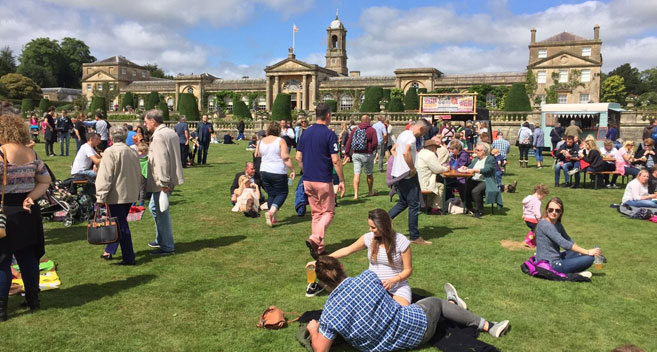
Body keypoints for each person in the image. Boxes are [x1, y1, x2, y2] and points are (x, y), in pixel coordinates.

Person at [306, 256, 510, 352]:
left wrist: (313, 329)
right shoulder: (368, 278)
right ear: (341, 266)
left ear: (322, 283)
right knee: (434, 303)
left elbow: (320, 349)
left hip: (382, 346)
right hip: (415, 330)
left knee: (430, 306)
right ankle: (488, 325)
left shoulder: (330, 313)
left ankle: (453, 304)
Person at [0, 110, 50, 321]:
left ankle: (1, 310)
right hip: (28, 212)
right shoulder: (33, 154)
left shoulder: (1, 152)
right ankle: (33, 300)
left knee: (2, 261)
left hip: (5, 213)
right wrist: (30, 197)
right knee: (28, 257)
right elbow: (45, 181)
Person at [306, 209, 413, 305]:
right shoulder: (369, 238)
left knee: (401, 310)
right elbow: (347, 250)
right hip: (372, 285)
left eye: (373, 227)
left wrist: (394, 280)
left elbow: (408, 270)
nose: (370, 230)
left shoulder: (401, 241)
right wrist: (321, 261)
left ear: (383, 226)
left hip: (397, 286)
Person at [297, 103, 345, 262]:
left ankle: (319, 247)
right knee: (329, 212)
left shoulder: (305, 133)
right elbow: (336, 160)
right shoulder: (329, 134)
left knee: (316, 213)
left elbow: (298, 157)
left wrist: (305, 170)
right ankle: (316, 238)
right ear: (329, 115)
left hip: (308, 179)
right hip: (323, 179)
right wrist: (342, 180)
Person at [96, 126, 142, 265]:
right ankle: (110, 250)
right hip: (129, 192)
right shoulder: (132, 151)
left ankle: (128, 257)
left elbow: (105, 176)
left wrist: (100, 196)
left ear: (110, 137)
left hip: (116, 195)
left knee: (121, 226)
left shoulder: (110, 152)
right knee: (118, 223)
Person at [144, 109, 184, 255]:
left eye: (146, 121)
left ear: (153, 121)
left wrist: (164, 183)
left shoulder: (159, 136)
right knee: (155, 208)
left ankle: (167, 246)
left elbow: (161, 161)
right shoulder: (170, 132)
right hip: (168, 178)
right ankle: (161, 239)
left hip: (162, 181)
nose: (145, 124)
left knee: (160, 211)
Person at [389, 119, 431, 245]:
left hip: (398, 173)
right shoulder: (411, 138)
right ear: (422, 129)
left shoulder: (403, 134)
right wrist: (412, 168)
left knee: (403, 202)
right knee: (414, 204)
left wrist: (399, 162)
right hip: (407, 175)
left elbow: (394, 149)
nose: (423, 135)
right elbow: (406, 152)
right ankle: (414, 236)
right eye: (425, 132)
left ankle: (382, 220)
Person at [535, 197, 601, 275]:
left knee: (580, 253)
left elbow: (568, 240)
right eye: (551, 210)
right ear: (547, 210)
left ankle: (573, 269)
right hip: (549, 264)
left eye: (557, 210)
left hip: (557, 257)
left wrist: (585, 252)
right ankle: (574, 272)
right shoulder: (544, 224)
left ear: (561, 212)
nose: (554, 212)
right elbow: (564, 243)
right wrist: (587, 252)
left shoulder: (557, 224)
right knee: (589, 258)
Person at [255, 122, 295, 227]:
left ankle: (273, 218)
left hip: (264, 170)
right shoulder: (280, 141)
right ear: (278, 130)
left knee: (271, 194)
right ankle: (271, 212)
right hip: (278, 170)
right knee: (282, 193)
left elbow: (258, 154)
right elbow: (285, 157)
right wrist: (292, 169)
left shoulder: (261, 141)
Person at [460, 143, 503, 218]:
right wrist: (465, 168)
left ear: (484, 151)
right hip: (474, 179)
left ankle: (479, 210)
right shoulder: (476, 159)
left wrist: (474, 170)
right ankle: (470, 208)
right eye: (476, 150)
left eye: (478, 150)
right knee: (463, 188)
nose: (476, 151)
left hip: (485, 180)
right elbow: (470, 167)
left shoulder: (490, 159)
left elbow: (487, 170)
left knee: (475, 191)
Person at [344, 115, 378, 199]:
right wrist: (371, 150)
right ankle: (370, 191)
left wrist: (347, 153)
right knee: (369, 174)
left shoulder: (355, 129)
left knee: (357, 174)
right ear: (367, 121)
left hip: (356, 154)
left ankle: (356, 194)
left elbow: (349, 142)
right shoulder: (372, 130)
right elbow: (375, 143)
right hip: (367, 154)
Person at [417, 140, 447, 215]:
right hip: (425, 181)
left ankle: (427, 205)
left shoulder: (420, 153)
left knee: (435, 185)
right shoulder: (430, 154)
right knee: (441, 186)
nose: (436, 150)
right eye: (436, 148)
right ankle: (435, 208)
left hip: (419, 180)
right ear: (431, 147)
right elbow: (438, 169)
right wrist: (446, 168)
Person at [521, 184, 550, 248]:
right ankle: (527, 241)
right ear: (541, 193)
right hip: (532, 219)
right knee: (535, 230)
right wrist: (540, 218)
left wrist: (524, 214)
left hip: (527, 218)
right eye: (543, 196)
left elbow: (524, 207)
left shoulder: (528, 198)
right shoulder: (537, 201)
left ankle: (533, 242)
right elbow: (536, 211)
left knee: (536, 230)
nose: (543, 198)